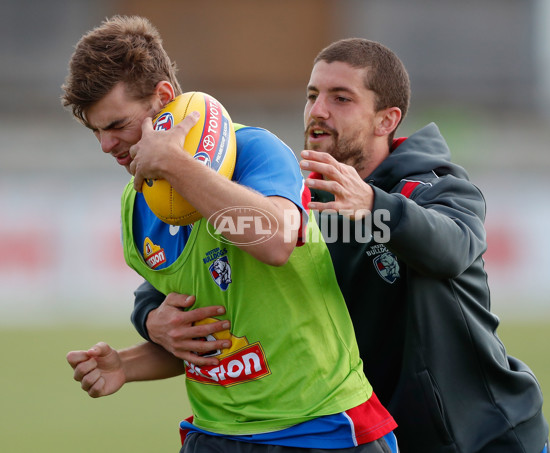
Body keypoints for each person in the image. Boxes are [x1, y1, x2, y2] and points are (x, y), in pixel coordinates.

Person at [132, 38, 550, 453]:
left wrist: (373, 206)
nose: (318, 111)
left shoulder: (434, 188)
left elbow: (453, 249)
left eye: (341, 98)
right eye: (312, 95)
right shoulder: (293, 200)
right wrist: (151, 316)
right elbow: (194, 268)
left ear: (386, 121)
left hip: (479, 437)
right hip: (364, 435)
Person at [61, 17, 398, 452]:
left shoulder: (255, 151)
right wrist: (127, 363)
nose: (107, 145)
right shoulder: (137, 206)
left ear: (163, 99)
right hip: (216, 434)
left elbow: (274, 241)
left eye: (116, 125)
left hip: (323, 428)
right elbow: (214, 333)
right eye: (97, 132)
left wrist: (176, 165)